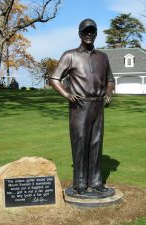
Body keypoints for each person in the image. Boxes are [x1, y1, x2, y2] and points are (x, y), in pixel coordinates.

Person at [49, 19, 115, 196]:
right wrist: (68, 95)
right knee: (80, 143)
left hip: (98, 106)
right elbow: (54, 79)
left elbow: (110, 79)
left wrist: (109, 93)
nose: (89, 34)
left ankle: (95, 181)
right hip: (79, 105)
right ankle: (79, 183)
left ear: (95, 34)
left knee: (96, 143)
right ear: (79, 34)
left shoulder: (103, 57)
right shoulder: (70, 55)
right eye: (85, 31)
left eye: (92, 31)